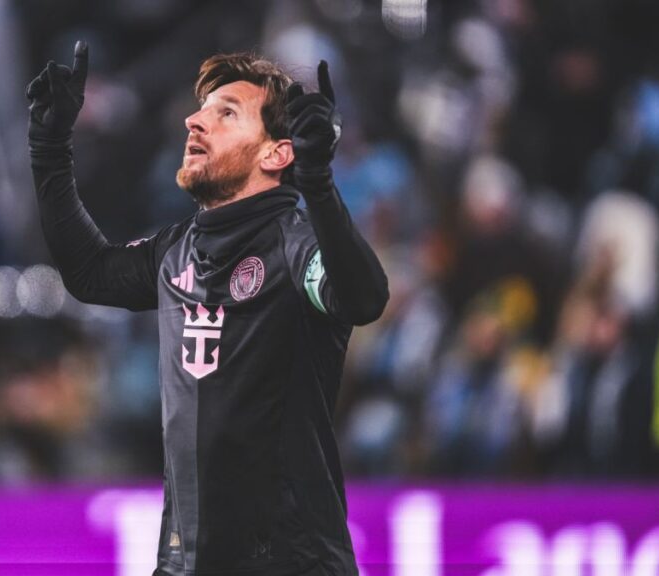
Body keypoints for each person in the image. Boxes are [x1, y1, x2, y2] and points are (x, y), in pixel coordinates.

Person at [27, 41, 389, 575]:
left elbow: (363, 298)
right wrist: (50, 146)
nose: (194, 121)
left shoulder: (297, 246)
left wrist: (317, 184)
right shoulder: (176, 250)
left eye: (227, 113)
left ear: (275, 154)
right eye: (201, 109)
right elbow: (89, 273)